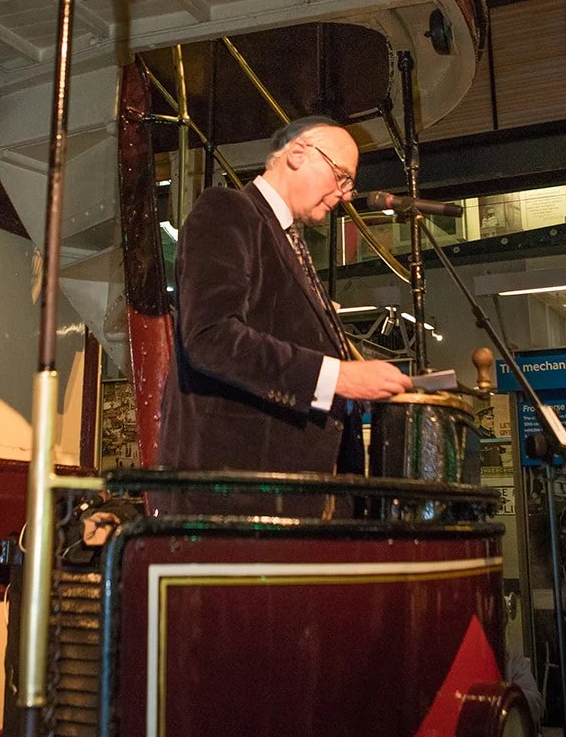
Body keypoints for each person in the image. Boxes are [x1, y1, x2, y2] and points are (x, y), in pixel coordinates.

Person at [155, 115, 411, 511]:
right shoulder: (226, 209)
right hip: (236, 497)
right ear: (297, 154)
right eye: (341, 176)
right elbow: (210, 336)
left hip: (291, 495)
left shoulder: (290, 241)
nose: (345, 195)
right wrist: (339, 377)